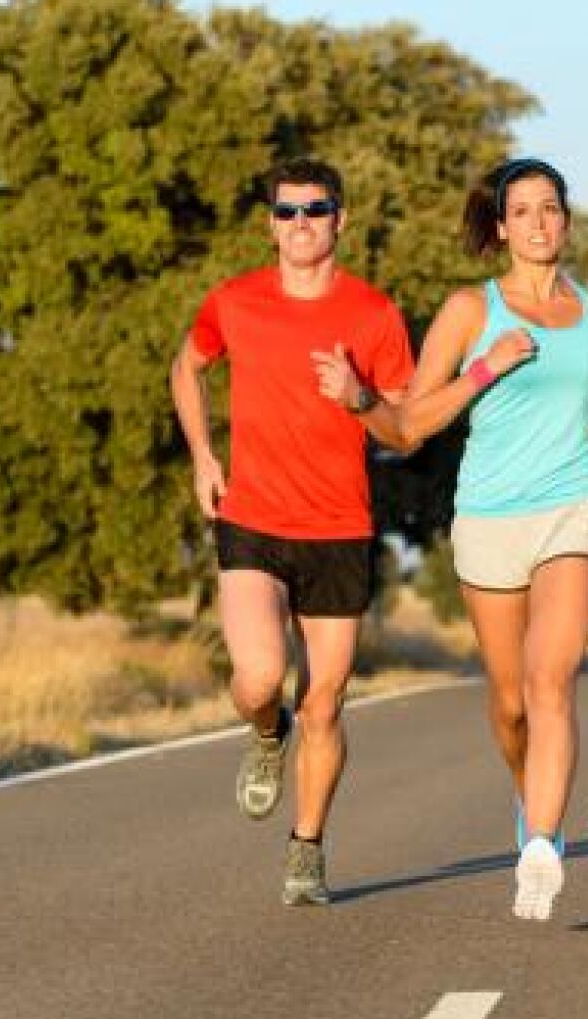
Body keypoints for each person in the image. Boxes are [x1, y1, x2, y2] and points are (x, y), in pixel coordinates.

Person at [313, 157, 588, 921]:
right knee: (512, 702)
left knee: (552, 682)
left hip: (571, 508)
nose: (537, 223)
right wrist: (468, 372)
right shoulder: (469, 310)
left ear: (566, 218)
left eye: (549, 208)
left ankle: (543, 845)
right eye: (520, 211)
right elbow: (413, 425)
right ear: (500, 227)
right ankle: (529, 795)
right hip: (488, 515)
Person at [169, 158, 414, 907]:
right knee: (259, 677)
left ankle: (306, 846)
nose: (300, 223)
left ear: (340, 219)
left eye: (315, 209)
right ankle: (265, 733)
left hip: (338, 527)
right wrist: (204, 455)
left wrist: (357, 395)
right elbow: (187, 365)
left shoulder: (374, 314)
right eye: (286, 212)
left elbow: (404, 428)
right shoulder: (235, 301)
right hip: (252, 517)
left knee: (327, 703)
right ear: (269, 223)